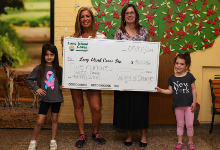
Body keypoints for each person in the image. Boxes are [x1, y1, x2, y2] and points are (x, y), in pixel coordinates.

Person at [61, 7, 106, 148]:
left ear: (92, 18)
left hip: (94, 78)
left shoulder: (101, 37)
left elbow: (106, 59)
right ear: (79, 20)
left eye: (87, 16)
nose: (85, 19)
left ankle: (95, 133)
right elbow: (68, 60)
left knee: (96, 108)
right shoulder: (74, 39)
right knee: (78, 105)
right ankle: (82, 134)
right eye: (82, 17)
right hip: (77, 77)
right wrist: (65, 47)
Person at [113, 4, 149, 147]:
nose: (129, 15)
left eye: (132, 12)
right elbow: (115, 55)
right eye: (127, 13)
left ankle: (143, 135)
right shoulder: (119, 33)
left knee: (141, 105)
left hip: (140, 76)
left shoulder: (144, 31)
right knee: (126, 105)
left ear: (136, 15)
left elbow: (148, 54)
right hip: (124, 76)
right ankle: (128, 135)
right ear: (123, 16)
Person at [26, 44, 66, 150]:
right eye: (46, 54)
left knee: (54, 119)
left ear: (55, 55)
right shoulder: (39, 68)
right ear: (43, 55)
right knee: (40, 121)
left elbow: (63, 83)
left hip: (57, 98)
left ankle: (53, 140)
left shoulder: (59, 69)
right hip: (45, 99)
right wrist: (36, 88)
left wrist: (63, 87)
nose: (49, 57)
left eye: (51, 54)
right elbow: (29, 79)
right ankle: (33, 140)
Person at [155, 52, 197, 150]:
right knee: (180, 124)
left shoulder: (189, 76)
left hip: (188, 105)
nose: (178, 66)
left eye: (181, 64)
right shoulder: (172, 78)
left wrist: (194, 102)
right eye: (177, 63)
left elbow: (194, 89)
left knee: (190, 124)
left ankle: (190, 143)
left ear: (187, 66)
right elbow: (170, 91)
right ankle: (179, 143)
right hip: (178, 105)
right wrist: (161, 90)